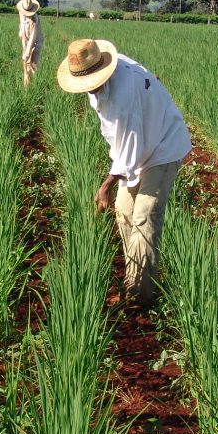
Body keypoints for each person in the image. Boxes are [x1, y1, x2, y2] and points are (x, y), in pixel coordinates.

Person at [57, 39, 192, 308]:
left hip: (163, 147)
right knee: (123, 210)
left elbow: (129, 152)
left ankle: (138, 295)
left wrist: (105, 185)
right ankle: (137, 275)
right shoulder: (106, 68)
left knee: (144, 216)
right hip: (141, 143)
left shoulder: (122, 98)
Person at [16, 0, 43, 87]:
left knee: (33, 65)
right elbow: (23, 33)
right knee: (25, 66)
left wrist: (27, 52)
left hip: (36, 43)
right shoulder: (21, 14)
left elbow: (32, 38)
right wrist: (24, 48)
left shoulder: (34, 21)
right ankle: (26, 86)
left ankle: (35, 85)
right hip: (26, 42)